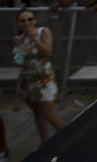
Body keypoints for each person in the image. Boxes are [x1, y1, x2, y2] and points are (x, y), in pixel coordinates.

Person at [13, 9, 66, 141]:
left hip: (44, 78)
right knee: (37, 113)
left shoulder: (44, 31)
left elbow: (48, 52)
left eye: (30, 19)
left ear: (35, 20)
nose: (27, 23)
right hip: (28, 79)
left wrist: (34, 40)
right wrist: (21, 48)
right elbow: (18, 61)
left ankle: (69, 137)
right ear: (18, 23)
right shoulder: (18, 39)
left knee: (49, 114)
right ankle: (44, 142)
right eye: (23, 20)